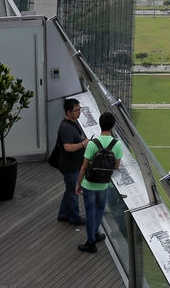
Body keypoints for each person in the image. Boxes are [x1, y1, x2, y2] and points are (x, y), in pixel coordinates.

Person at [75, 111, 123, 253]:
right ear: (113, 126)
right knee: (100, 209)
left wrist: (78, 183)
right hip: (104, 183)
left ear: (100, 124)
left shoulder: (92, 143)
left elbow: (84, 166)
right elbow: (116, 166)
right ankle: (95, 233)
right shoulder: (117, 144)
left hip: (89, 183)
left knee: (90, 212)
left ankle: (91, 243)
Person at [56, 98, 87, 225]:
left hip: (72, 164)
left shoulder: (72, 123)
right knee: (74, 191)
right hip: (70, 165)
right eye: (76, 110)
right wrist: (83, 143)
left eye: (80, 109)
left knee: (70, 189)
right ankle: (74, 218)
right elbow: (68, 147)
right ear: (68, 113)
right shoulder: (66, 127)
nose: (79, 112)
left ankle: (63, 214)